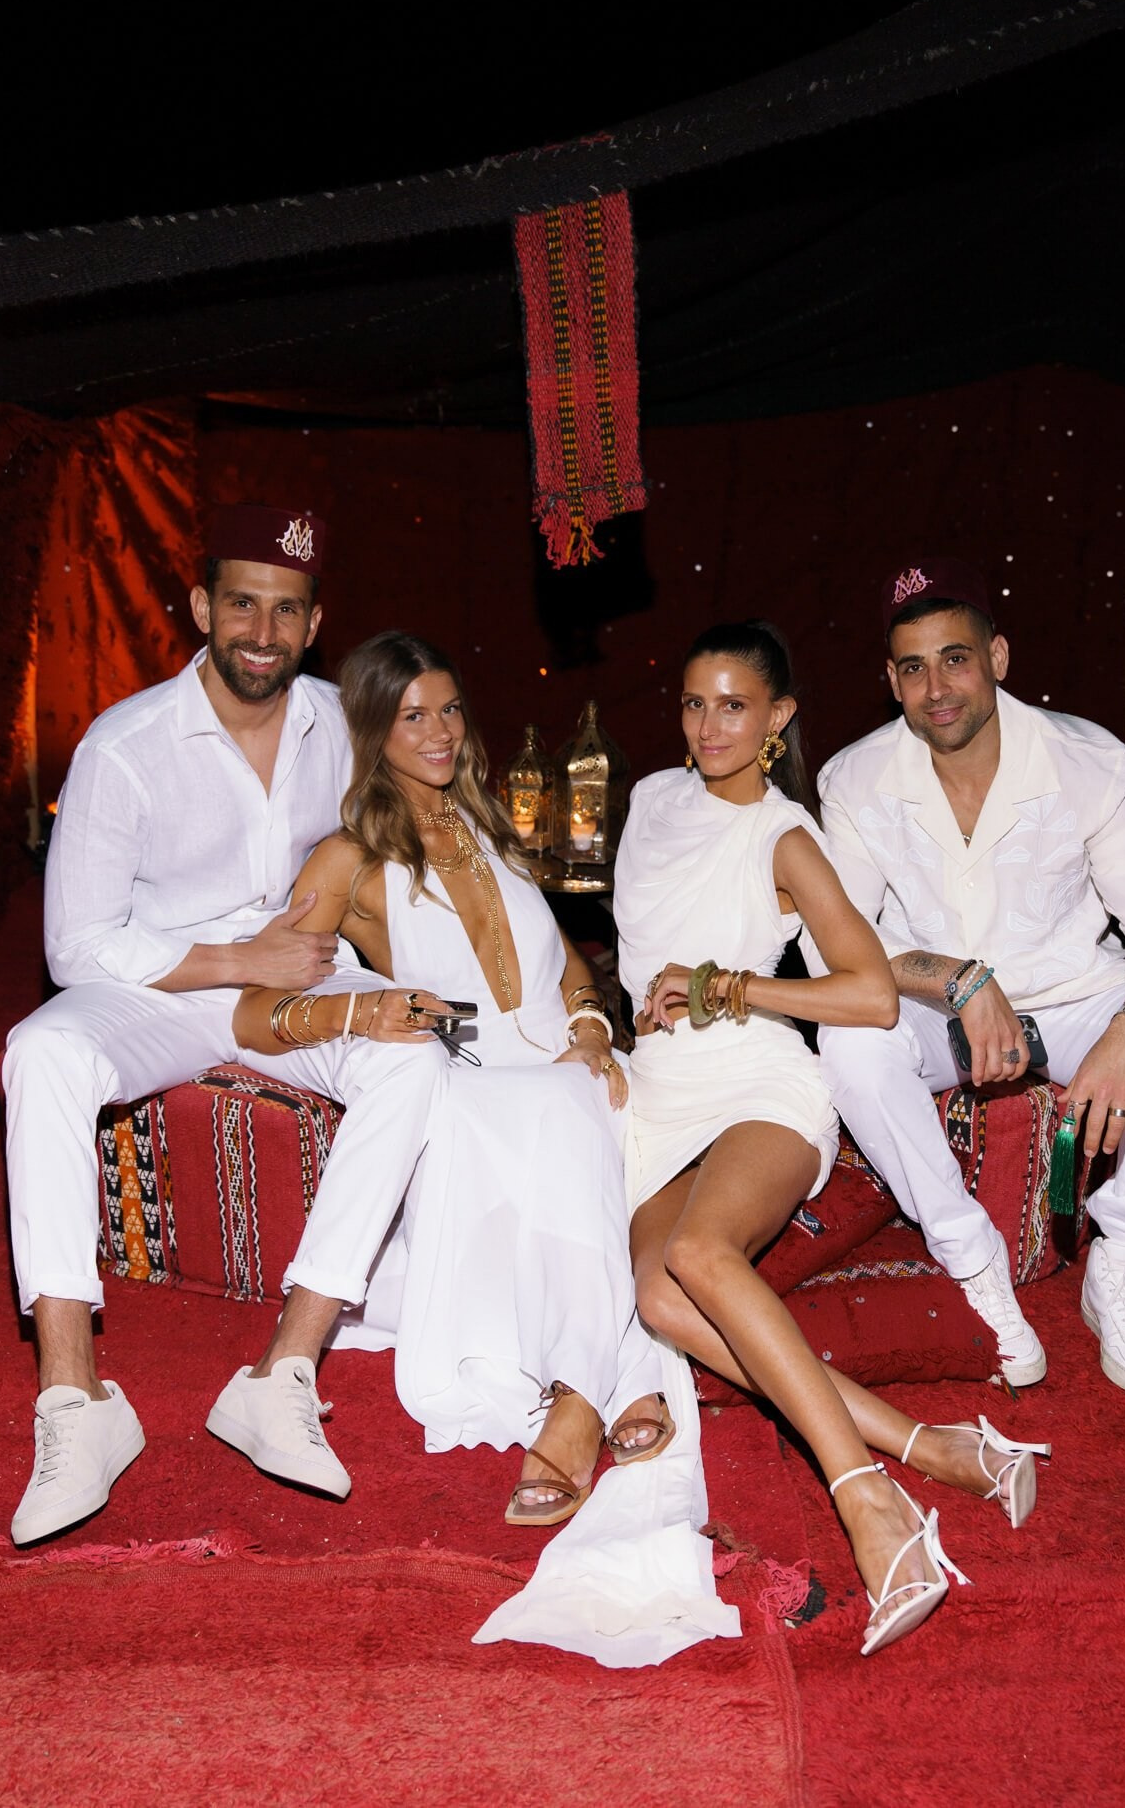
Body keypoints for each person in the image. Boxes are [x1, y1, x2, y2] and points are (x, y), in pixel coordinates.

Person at [231, 632, 734, 1666]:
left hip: (557, 1064)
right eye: (412, 715)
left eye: (450, 710)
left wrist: (593, 1026)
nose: (439, 732)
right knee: (556, 1117)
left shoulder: (492, 826)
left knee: (584, 1100)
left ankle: (586, 1387)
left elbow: (564, 970)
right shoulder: (348, 858)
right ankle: (600, 1386)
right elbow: (257, 1010)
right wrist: (363, 1010)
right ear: (373, 733)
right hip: (465, 1087)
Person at [1, 506, 447, 1547]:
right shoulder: (126, 745)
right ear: (202, 607)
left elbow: (423, 837)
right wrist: (238, 960)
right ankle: (76, 1403)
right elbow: (76, 946)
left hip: (299, 985)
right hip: (160, 987)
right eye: (241, 602)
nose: (261, 629)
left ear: (314, 622)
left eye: (285, 610)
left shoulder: (345, 721)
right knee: (43, 1051)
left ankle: (283, 1371)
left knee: (410, 1066)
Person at [614, 619, 1050, 1656]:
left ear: (778, 719)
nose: (710, 723)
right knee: (658, 1298)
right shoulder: (647, 801)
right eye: (693, 702)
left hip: (758, 1079)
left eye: (734, 705)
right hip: (656, 1091)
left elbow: (861, 991)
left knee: (700, 1254)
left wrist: (732, 986)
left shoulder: (784, 837)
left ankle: (868, 1502)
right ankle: (933, 1448)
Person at [809, 557, 1125, 1397]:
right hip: (934, 1007)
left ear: (998, 657)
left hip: (1076, 998)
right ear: (890, 682)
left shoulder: (1087, 761)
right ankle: (971, 1258)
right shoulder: (854, 779)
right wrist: (959, 979)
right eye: (913, 667)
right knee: (850, 1042)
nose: (938, 686)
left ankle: (1123, 1250)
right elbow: (841, 950)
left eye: (956, 658)